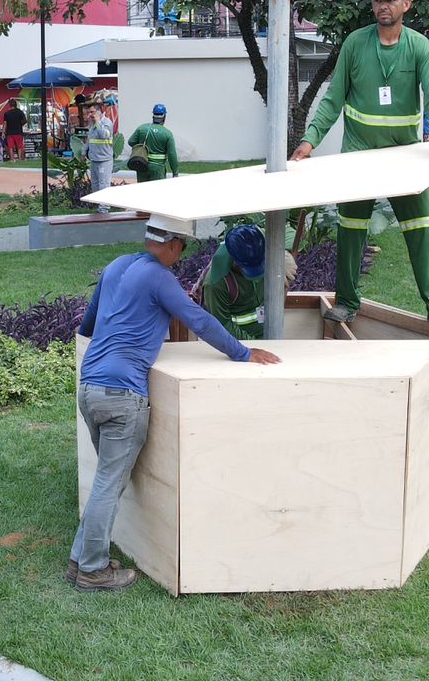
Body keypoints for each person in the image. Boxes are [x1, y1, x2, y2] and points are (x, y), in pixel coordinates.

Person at [70, 216, 282, 591]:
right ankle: (92, 569)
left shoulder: (117, 265)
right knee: (108, 483)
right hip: (123, 395)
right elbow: (198, 320)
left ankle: (81, 559)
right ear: (169, 244)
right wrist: (242, 353)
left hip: (90, 387)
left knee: (106, 477)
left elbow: (88, 324)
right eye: (182, 247)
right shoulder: (159, 278)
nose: (182, 255)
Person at [289, 0, 429, 336]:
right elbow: (333, 98)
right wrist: (310, 141)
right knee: (351, 228)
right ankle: (347, 303)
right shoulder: (355, 44)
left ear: (407, 4)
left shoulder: (419, 46)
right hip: (358, 154)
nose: (382, 6)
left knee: (421, 227)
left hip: (405, 156)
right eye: (377, 0)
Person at [202, 224, 298, 340]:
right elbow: (222, 327)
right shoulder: (216, 284)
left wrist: (281, 255)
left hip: (267, 334)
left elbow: (288, 233)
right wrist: (252, 346)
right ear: (235, 261)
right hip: (238, 344)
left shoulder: (257, 240)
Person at [128, 104, 179, 181]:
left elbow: (131, 142)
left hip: (142, 164)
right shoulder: (167, 134)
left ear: (153, 116)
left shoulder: (142, 128)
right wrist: (175, 172)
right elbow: (172, 155)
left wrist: (142, 148)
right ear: (164, 117)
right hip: (158, 168)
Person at [84, 98, 115, 211]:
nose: (89, 115)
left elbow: (104, 135)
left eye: (92, 112)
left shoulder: (107, 123)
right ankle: (99, 208)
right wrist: (84, 151)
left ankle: (104, 209)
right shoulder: (92, 124)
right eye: (89, 112)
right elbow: (90, 139)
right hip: (94, 159)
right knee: (96, 185)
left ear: (98, 112)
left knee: (104, 185)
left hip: (104, 159)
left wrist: (98, 122)